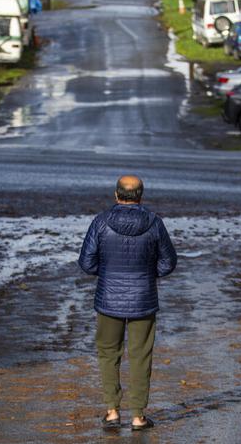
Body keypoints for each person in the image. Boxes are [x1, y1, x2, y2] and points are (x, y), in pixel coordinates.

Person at [78, 175, 178, 431]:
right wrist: (147, 273)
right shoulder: (155, 223)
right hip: (143, 298)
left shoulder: (100, 222)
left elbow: (87, 263)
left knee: (108, 354)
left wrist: (109, 272)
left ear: (116, 194)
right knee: (141, 356)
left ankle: (112, 411)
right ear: (141, 195)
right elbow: (168, 263)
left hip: (108, 299)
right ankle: (137, 416)